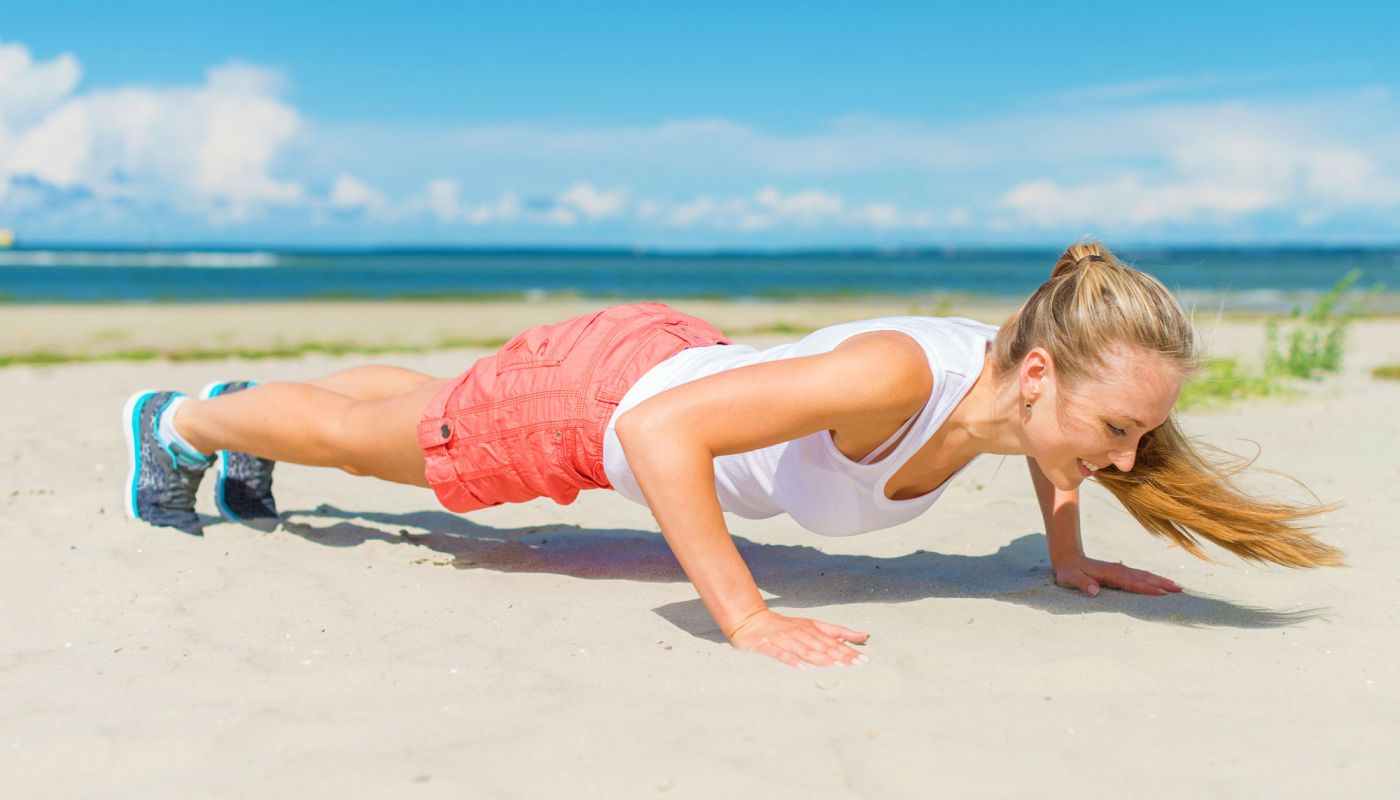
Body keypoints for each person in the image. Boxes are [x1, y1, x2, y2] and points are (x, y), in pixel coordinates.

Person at [122, 242, 1343, 668]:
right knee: (381, 449)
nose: (1125, 457)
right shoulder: (904, 374)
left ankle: (240, 403)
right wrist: (742, 612)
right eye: (1115, 427)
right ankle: (182, 420)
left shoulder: (1012, 383)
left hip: (659, 356)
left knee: (431, 403)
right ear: (1037, 372)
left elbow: (1051, 450)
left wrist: (1068, 555)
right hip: (599, 399)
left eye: (1136, 433)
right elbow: (660, 435)